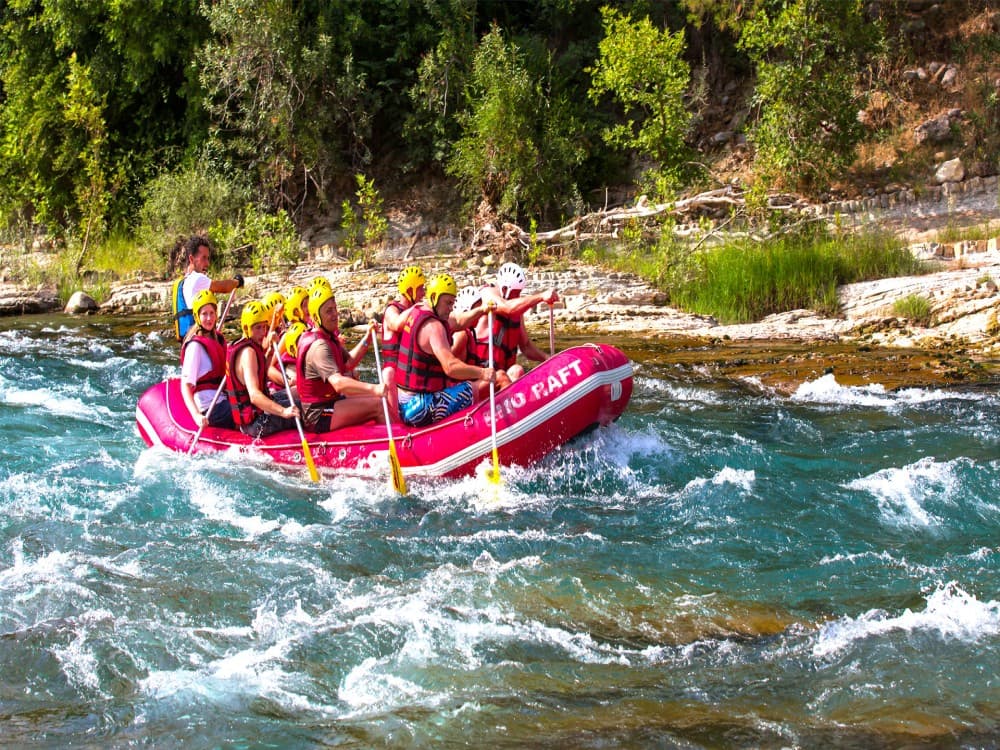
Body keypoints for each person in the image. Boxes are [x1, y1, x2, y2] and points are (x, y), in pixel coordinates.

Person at [395, 273, 502, 427]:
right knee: (497, 379)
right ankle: (493, 425)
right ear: (434, 297)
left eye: (452, 303)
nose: (450, 308)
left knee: (467, 385)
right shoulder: (434, 327)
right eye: (447, 303)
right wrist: (483, 373)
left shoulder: (418, 310)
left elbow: (458, 321)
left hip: (405, 403)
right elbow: (450, 367)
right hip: (419, 408)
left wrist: (482, 310)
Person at [295, 285, 393, 432]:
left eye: (335, 308)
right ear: (316, 317)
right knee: (378, 405)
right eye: (329, 311)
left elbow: (348, 363)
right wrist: (374, 388)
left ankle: (388, 434)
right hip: (318, 414)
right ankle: (396, 444)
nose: (335, 314)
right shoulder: (319, 346)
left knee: (377, 399)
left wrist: (368, 338)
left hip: (330, 402)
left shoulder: (328, 337)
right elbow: (339, 384)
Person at [225, 300, 300, 438]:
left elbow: (261, 372)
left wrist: (271, 350)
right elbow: (254, 396)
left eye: (264, 327)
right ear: (247, 328)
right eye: (257, 328)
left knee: (299, 392)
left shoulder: (244, 345)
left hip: (255, 415)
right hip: (256, 423)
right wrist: (284, 411)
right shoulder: (248, 352)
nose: (262, 332)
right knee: (303, 407)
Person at [474, 262, 559, 381]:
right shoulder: (488, 294)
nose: (518, 296)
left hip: (503, 378)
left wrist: (547, 358)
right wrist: (540, 296)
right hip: (483, 375)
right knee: (517, 370)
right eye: (515, 292)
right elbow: (507, 308)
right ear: (504, 289)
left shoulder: (516, 309)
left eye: (519, 292)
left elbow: (526, 347)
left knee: (516, 371)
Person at [179, 290, 235, 430]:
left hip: (222, 399)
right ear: (197, 317)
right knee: (246, 411)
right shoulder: (195, 346)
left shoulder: (219, 339)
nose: (209, 318)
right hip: (209, 407)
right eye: (204, 314)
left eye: (212, 313)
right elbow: (185, 386)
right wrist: (196, 415)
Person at [171, 235, 244, 341]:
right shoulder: (197, 279)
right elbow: (223, 287)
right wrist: (237, 282)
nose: (207, 263)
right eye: (203, 258)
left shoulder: (184, 281)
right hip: (198, 339)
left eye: (208, 258)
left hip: (188, 340)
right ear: (191, 259)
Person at [380, 266, 425, 383]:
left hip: (410, 377)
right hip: (393, 376)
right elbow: (396, 324)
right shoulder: (392, 310)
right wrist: (417, 306)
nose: (424, 293)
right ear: (410, 291)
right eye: (420, 289)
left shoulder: (418, 313)